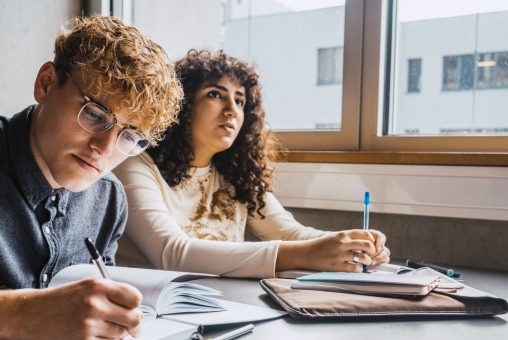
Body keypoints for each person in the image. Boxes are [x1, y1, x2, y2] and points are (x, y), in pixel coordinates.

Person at [113, 50, 390, 279]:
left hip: (227, 304)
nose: (232, 110)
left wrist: (353, 244)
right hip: (155, 312)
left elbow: (292, 233)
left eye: (240, 100)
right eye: (214, 94)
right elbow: (172, 253)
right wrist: (309, 253)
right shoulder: (134, 164)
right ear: (179, 105)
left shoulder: (236, 175)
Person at [0, 15, 183, 339]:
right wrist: (23, 314)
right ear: (46, 83)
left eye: (129, 136)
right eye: (95, 114)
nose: (104, 147)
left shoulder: (109, 201)